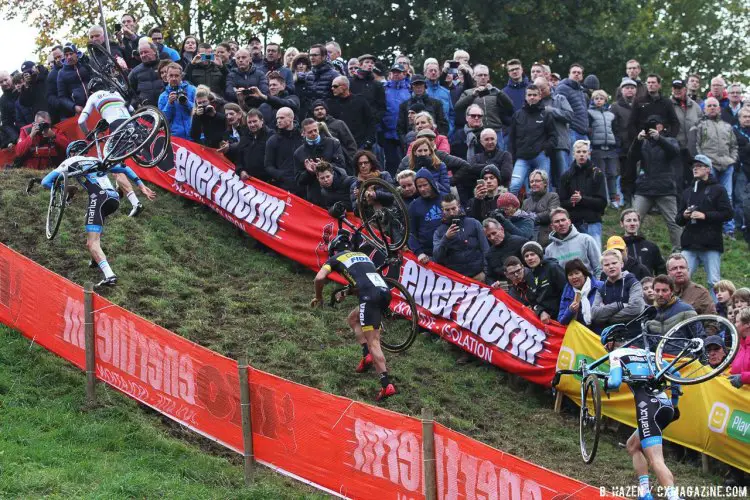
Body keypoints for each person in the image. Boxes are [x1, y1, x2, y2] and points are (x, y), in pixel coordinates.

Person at [41, 142, 155, 287]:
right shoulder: (95, 160)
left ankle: (109, 275)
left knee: (91, 243)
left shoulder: (70, 161)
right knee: (90, 220)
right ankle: (95, 260)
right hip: (113, 199)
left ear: (71, 153)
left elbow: (45, 182)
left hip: (99, 198)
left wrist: (64, 189)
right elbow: (124, 168)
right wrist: (141, 186)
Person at [311, 232, 397, 401]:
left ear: (333, 250)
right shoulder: (362, 255)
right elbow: (362, 280)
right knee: (353, 319)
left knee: (374, 341)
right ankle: (367, 356)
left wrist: (319, 297)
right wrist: (346, 292)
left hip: (369, 296)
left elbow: (319, 278)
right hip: (384, 292)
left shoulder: (335, 259)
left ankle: (386, 385)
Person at [600, 325, 682, 500]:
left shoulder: (616, 354)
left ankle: (673, 497)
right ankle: (645, 493)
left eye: (605, 346)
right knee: (632, 445)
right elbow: (677, 378)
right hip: (665, 406)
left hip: (648, 407)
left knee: (656, 460)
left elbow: (614, 383)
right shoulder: (648, 353)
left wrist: (604, 384)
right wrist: (674, 405)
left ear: (609, 344)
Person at [78, 78, 147, 217]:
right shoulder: (115, 92)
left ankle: (135, 203)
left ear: (91, 90)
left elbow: (81, 120)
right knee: (118, 162)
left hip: (116, 127)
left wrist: (87, 134)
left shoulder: (94, 96)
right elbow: (132, 110)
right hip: (132, 124)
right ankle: (119, 189)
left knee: (110, 165)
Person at [676, 155, 733, 295]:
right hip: (689, 244)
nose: (695, 168)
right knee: (679, 280)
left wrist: (705, 216)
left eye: (699, 166)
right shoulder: (687, 192)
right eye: (693, 166)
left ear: (708, 169)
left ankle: (718, 313)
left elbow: (728, 214)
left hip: (711, 244)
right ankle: (677, 311)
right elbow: (678, 219)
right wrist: (684, 215)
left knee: (714, 282)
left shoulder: (718, 189)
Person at [629, 115, 683, 251]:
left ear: (662, 126)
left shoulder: (670, 140)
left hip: (665, 188)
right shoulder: (643, 142)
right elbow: (631, 157)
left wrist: (659, 139)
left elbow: (674, 152)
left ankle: (680, 250)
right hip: (644, 188)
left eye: (656, 124)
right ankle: (629, 248)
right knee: (632, 219)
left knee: (674, 222)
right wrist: (637, 141)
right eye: (650, 125)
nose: (653, 127)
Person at [688, 97, 738, 236]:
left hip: (727, 165)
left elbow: (734, 145)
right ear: (704, 108)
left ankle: (729, 229)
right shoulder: (700, 125)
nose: (712, 108)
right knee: (708, 196)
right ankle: (710, 224)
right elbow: (696, 144)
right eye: (709, 105)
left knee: (727, 195)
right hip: (709, 166)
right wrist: (702, 162)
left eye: (714, 105)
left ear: (719, 108)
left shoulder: (727, 126)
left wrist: (732, 159)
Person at [559, 140, 607, 250]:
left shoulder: (597, 174)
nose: (581, 154)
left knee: (596, 259)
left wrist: (582, 199)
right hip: (573, 225)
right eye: (579, 151)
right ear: (573, 154)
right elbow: (561, 203)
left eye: (584, 151)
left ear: (589, 153)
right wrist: (572, 201)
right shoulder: (566, 176)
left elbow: (602, 203)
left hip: (592, 223)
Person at [508, 85, 556, 195]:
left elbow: (553, 136)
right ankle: (511, 212)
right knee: (514, 185)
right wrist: (513, 157)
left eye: (535, 95)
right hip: (522, 158)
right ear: (525, 96)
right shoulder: (518, 115)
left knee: (543, 188)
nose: (532, 97)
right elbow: (511, 139)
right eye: (529, 95)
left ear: (540, 97)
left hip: (541, 156)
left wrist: (545, 150)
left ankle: (545, 211)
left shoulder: (546, 114)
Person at [432, 194, 488, 280]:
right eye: (447, 210)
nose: (451, 213)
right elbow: (437, 258)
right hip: (457, 281)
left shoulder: (474, 223)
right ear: (442, 210)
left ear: (458, 207)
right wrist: (446, 238)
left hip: (479, 275)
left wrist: (485, 272)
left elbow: (485, 249)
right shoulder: (439, 232)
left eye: (453, 208)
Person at [294, 118, 347, 206]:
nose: (314, 133)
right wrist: (309, 172)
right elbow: (299, 181)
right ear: (303, 133)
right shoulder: (299, 153)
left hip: (336, 194)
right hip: (316, 198)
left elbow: (341, 166)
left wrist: (324, 166)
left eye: (315, 130)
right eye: (310, 132)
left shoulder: (333, 143)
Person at [591, 250, 645, 337]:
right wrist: (619, 305)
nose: (611, 266)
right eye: (607, 265)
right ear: (602, 268)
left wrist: (606, 317)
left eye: (614, 263)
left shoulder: (633, 283)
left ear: (622, 264)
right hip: (611, 339)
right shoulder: (601, 289)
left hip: (634, 337)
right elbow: (595, 314)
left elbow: (637, 308)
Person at [646, 275, 701, 354]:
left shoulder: (686, 310)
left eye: (664, 290)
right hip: (656, 360)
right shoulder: (648, 313)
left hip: (682, 359)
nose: (660, 294)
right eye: (657, 290)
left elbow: (699, 337)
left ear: (672, 292)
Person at [588, 89, 621, 207]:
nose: (599, 100)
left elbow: (616, 130)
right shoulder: (590, 113)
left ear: (605, 100)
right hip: (597, 148)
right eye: (596, 98)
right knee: (599, 174)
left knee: (612, 173)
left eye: (601, 98)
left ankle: (613, 198)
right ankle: (602, 198)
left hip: (611, 149)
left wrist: (617, 144)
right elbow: (588, 130)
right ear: (593, 100)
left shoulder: (611, 115)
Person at [545, 207, 601, 275]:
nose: (561, 224)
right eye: (557, 221)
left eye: (563, 220)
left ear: (569, 222)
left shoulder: (586, 240)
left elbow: (599, 267)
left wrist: (597, 285)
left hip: (589, 284)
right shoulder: (549, 250)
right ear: (552, 226)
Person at [326, 76, 376, 150]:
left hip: (360, 145)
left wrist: (368, 141)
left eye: (335, 86)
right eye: (332, 86)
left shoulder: (360, 101)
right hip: (340, 146)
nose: (332, 88)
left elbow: (371, 122)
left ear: (345, 86)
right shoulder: (331, 104)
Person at [521, 241, 565, 323]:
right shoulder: (529, 275)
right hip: (545, 321)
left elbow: (567, 291)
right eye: (526, 256)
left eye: (532, 254)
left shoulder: (553, 268)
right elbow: (533, 301)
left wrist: (564, 314)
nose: (530, 258)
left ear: (540, 255)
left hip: (562, 317)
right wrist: (540, 311)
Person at [264, 107, 304, 195]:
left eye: (282, 118)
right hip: (284, 187)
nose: (278, 121)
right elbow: (268, 166)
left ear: (291, 118)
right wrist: (282, 175)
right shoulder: (272, 140)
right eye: (277, 118)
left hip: (305, 184)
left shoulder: (303, 137)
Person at [407, 168, 443, 264]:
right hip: (427, 256)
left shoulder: (445, 199)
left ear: (431, 183)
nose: (422, 189)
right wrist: (419, 253)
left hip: (449, 252)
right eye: (419, 186)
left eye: (425, 185)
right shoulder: (414, 206)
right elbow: (411, 233)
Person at [557, 258, 603, 327]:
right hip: (581, 334)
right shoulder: (567, 293)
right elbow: (561, 321)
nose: (574, 277)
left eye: (577, 273)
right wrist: (570, 310)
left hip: (601, 331)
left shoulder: (600, 286)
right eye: (570, 275)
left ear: (584, 274)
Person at [311, 99, 356, 168]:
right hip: (320, 164)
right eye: (316, 110)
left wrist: (350, 160)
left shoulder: (338, 124)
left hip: (340, 163)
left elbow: (351, 144)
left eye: (322, 108)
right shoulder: (311, 128)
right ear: (313, 112)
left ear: (326, 110)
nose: (319, 111)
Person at [620, 209, 666, 275]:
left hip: (647, 284)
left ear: (639, 223)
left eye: (635, 220)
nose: (632, 223)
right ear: (622, 224)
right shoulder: (617, 247)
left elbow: (661, 270)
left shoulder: (651, 246)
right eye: (628, 220)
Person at [484, 219, 528, 288]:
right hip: (504, 291)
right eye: (488, 236)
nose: (492, 238)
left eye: (494, 233)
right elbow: (489, 276)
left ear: (501, 229)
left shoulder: (520, 242)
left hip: (525, 287)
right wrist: (493, 284)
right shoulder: (489, 254)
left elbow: (531, 266)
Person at [522, 169, 560, 246]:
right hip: (529, 240)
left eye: (537, 181)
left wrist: (531, 217)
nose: (534, 184)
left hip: (548, 238)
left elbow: (551, 214)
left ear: (545, 183)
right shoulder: (526, 202)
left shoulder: (553, 196)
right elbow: (522, 220)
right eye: (532, 182)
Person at [158, 63, 196, 140]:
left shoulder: (192, 90)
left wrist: (186, 102)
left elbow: (199, 111)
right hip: (176, 137)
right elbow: (163, 120)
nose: (174, 78)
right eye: (171, 76)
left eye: (176, 75)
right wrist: (169, 103)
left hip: (194, 134)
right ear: (166, 77)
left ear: (181, 76)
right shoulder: (163, 96)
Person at [235, 109, 274, 182]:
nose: (252, 125)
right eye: (249, 122)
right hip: (249, 181)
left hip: (267, 182)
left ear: (262, 121)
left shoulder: (271, 136)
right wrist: (241, 171)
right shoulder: (244, 138)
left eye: (255, 121)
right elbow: (239, 160)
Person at [57, 43, 91, 117]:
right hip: (80, 110)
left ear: (76, 53)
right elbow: (62, 97)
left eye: (71, 54)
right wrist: (73, 107)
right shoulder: (61, 73)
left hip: (95, 101)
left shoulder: (85, 64)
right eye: (66, 55)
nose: (69, 57)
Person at [128, 41, 165, 107]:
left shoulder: (166, 66)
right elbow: (130, 93)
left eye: (146, 52)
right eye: (141, 53)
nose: (143, 55)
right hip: (145, 110)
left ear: (154, 51)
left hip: (166, 107)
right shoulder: (135, 72)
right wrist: (136, 104)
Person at [730, 308, 750, 390]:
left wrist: (743, 378)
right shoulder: (740, 346)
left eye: (737, 321)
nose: (734, 324)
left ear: (747, 324)